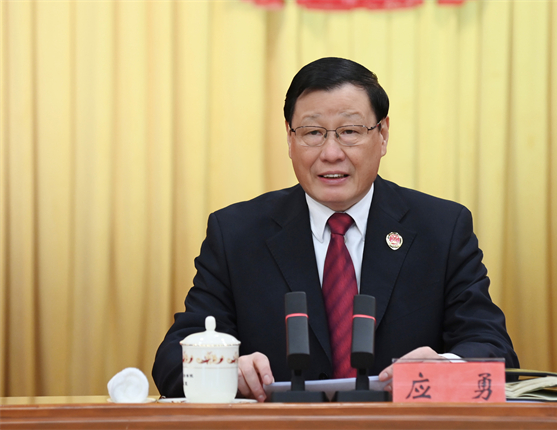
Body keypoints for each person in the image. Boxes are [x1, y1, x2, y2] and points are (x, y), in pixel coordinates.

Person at [152, 57, 518, 402]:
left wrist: (444, 369)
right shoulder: (236, 234)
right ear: (289, 138)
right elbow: (172, 359)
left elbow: (494, 351)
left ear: (383, 134)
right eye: (312, 132)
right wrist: (225, 370)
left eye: (349, 131)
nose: (331, 153)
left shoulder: (441, 228)